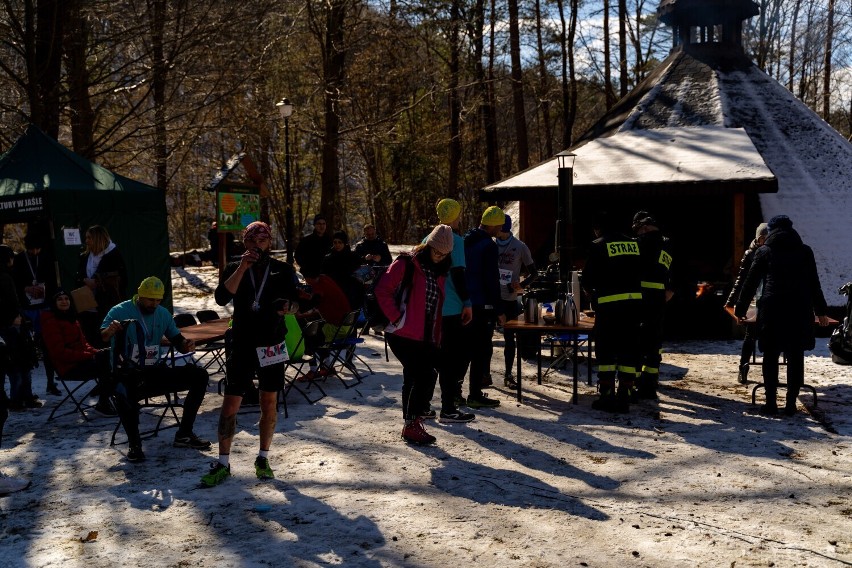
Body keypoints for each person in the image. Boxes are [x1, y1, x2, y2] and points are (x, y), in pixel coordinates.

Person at [201, 221, 300, 486]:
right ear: (244, 243)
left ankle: (263, 457)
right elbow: (222, 298)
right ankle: (223, 462)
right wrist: (243, 267)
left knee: (269, 401)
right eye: (252, 241)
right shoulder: (235, 267)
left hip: (272, 343)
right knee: (230, 402)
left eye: (263, 241)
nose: (258, 246)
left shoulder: (282, 269)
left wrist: (289, 307)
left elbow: (297, 303)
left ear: (270, 243)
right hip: (242, 341)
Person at [100, 276, 211, 463]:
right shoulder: (120, 311)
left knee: (199, 375)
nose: (154, 304)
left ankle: (184, 434)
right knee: (124, 392)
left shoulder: (163, 313)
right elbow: (103, 337)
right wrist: (110, 331)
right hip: (128, 373)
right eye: (150, 299)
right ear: (139, 296)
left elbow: (178, 341)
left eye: (158, 300)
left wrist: (186, 345)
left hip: (154, 371)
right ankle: (134, 445)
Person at [734, 215, 830, 416]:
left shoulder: (764, 251)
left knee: (770, 356)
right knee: (796, 357)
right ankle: (790, 405)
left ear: (771, 230)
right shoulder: (805, 251)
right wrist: (821, 312)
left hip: (772, 310)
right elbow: (814, 284)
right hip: (799, 310)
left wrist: (740, 309)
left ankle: (770, 404)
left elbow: (750, 283)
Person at [376, 225, 453, 444]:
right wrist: (396, 317)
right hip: (401, 332)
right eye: (436, 252)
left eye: (444, 254)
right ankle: (412, 423)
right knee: (422, 374)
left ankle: (412, 421)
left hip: (425, 334)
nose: (439, 257)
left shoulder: (440, 270)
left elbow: (434, 305)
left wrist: (437, 334)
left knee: (417, 375)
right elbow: (382, 290)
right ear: (428, 246)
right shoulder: (406, 263)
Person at [582, 211, 643, 413]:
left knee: (606, 351)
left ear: (598, 228)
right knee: (628, 349)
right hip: (633, 307)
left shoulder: (597, 245)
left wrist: (591, 294)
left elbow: (588, 280)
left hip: (609, 308)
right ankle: (625, 393)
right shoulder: (634, 244)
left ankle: (607, 394)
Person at [432, 199, 475, 423]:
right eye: (459, 214)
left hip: (432, 308)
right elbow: (458, 273)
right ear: (454, 215)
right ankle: (448, 408)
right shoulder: (455, 240)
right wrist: (467, 302)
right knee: (450, 361)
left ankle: (422, 406)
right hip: (451, 309)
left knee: (432, 360)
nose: (460, 218)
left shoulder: (429, 238)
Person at [40, 289, 115, 415]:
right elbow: (60, 352)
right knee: (107, 365)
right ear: (54, 303)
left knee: (111, 356)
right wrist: (88, 355)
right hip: (68, 367)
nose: (64, 301)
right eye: (60, 299)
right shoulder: (50, 322)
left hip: (81, 361)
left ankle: (109, 395)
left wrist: (96, 351)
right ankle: (104, 401)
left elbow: (84, 344)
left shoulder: (72, 318)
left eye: (66, 298)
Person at [461, 205, 506, 408]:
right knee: (480, 350)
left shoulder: (465, 239)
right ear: (494, 225)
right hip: (481, 303)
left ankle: (454, 392)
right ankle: (475, 394)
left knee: (463, 349)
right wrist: (499, 309)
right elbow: (491, 279)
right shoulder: (488, 245)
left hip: (463, 301)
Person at [632, 211, 674, 400]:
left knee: (637, 341)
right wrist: (670, 291)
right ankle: (649, 383)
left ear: (645, 226)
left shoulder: (638, 244)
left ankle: (635, 381)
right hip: (658, 298)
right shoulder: (668, 244)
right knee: (654, 342)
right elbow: (678, 271)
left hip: (639, 298)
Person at [13, 232, 59, 396]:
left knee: (47, 345)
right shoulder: (19, 260)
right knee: (25, 348)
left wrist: (45, 291)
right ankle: (26, 390)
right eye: (32, 250)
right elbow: (15, 283)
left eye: (37, 249)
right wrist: (26, 288)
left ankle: (50, 382)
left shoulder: (45, 258)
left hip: (43, 306)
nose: (34, 252)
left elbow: (53, 281)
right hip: (26, 308)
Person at [495, 214, 537, 388]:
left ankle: (508, 374)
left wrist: (520, 285)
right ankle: (483, 374)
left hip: (510, 299)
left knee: (509, 339)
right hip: (492, 297)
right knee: (483, 340)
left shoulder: (520, 247)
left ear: (505, 229)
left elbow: (534, 273)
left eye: (500, 230)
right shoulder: (491, 245)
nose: (497, 233)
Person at [726, 222, 769, 384]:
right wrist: (731, 301)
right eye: (762, 238)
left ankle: (769, 373)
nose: (764, 241)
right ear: (758, 239)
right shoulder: (751, 254)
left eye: (767, 237)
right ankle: (743, 367)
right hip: (754, 300)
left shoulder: (774, 253)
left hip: (770, 299)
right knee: (750, 335)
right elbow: (742, 279)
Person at [0, 245, 42, 411]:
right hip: (12, 324)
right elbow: (8, 301)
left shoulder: (7, 275)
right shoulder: (4, 276)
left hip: (13, 322)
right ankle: (18, 398)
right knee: (17, 363)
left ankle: (23, 396)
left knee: (21, 361)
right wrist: (13, 318)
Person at [76, 225, 128, 347]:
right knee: (91, 340)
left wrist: (98, 283)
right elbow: (79, 277)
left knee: (108, 342)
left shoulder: (114, 255)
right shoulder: (85, 257)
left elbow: (122, 280)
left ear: (98, 238)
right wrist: (84, 280)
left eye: (89, 237)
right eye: (86, 238)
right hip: (88, 307)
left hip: (107, 307)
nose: (87, 241)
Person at [296, 272, 352, 379]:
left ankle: (314, 370)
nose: (305, 282)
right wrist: (307, 297)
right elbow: (319, 304)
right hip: (345, 326)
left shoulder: (318, 287)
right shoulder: (325, 279)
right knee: (316, 332)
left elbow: (312, 304)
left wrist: (299, 311)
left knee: (310, 336)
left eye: (305, 278)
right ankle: (326, 366)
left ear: (309, 278)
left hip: (336, 328)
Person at [320, 230, 363, 309]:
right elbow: (324, 275)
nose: (337, 245)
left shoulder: (353, 256)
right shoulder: (328, 258)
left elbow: (359, 273)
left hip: (352, 291)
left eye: (340, 242)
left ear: (345, 243)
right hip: (334, 290)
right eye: (335, 242)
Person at [294, 214, 332, 280]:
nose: (322, 226)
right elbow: (298, 256)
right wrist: (308, 268)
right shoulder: (306, 241)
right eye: (319, 224)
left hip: (327, 276)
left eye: (324, 224)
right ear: (314, 225)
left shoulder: (330, 241)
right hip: (309, 276)